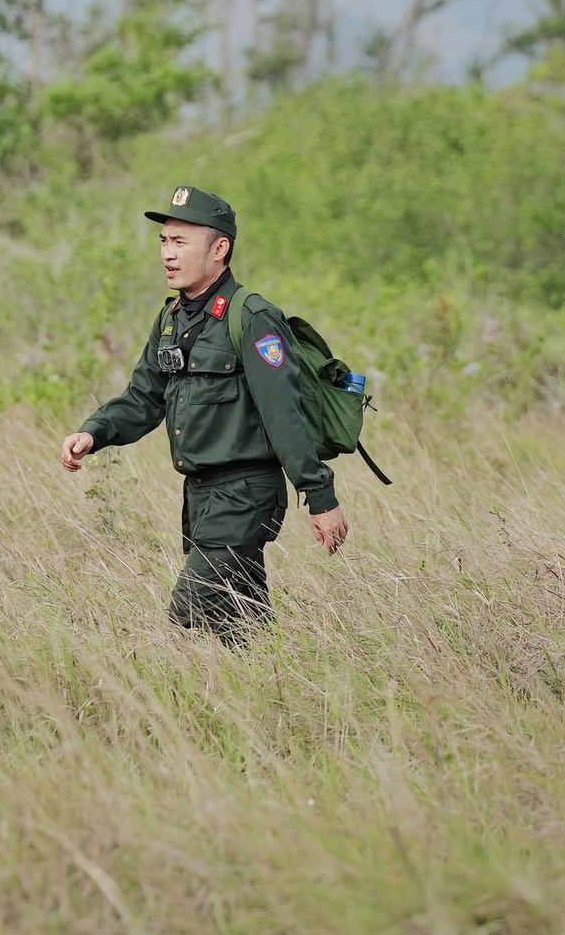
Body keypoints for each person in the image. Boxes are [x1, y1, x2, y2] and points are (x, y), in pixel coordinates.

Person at [59, 187, 350, 644]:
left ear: (219, 249)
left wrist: (320, 496)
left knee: (189, 612)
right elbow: (143, 398)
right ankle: (277, 695)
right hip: (199, 497)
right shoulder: (173, 318)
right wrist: (93, 433)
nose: (168, 255)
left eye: (181, 242)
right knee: (238, 629)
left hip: (244, 495)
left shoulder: (251, 316)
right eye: (164, 241)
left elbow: (283, 413)